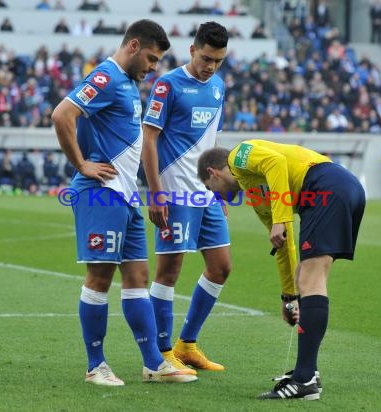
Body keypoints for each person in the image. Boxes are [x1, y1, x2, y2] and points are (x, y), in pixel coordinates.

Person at [51, 19, 196, 386]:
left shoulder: (129, 84)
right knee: (99, 277)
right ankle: (95, 365)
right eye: (150, 58)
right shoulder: (107, 77)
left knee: (137, 278)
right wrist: (81, 163)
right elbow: (62, 114)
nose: (153, 67)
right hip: (102, 192)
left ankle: (153, 363)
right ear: (133, 45)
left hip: (126, 195)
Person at [197, 139, 365, 400]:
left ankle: (304, 379)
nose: (215, 195)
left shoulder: (239, 156)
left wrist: (281, 219)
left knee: (311, 280)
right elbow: (283, 245)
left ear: (213, 172)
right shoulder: (255, 195)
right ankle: (307, 372)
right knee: (307, 278)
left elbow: (276, 162)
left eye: (211, 189)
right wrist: (288, 297)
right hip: (340, 188)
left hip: (326, 185)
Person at [142, 21, 230, 374]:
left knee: (221, 267)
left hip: (206, 195)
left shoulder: (218, 87)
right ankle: (161, 355)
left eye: (218, 61)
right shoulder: (168, 85)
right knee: (169, 272)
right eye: (207, 58)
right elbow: (149, 139)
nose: (211, 66)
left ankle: (187, 344)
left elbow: (212, 143)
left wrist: (221, 186)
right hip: (174, 192)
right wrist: (155, 193)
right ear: (193, 50)